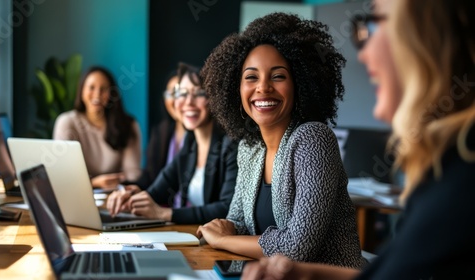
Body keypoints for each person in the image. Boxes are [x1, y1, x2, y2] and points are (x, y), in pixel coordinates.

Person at [242, 0, 475, 279]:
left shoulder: (465, 174)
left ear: (433, 37)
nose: (363, 53)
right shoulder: (443, 164)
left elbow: (295, 245)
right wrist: (303, 273)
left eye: (374, 24)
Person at [196, 12, 366, 269]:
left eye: (278, 76)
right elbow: (237, 222)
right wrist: (224, 229)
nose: (263, 88)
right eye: (251, 77)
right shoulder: (250, 149)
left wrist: (222, 240)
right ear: (235, 88)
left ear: (299, 84)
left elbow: (296, 249)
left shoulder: (313, 140)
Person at [106, 62, 239, 224]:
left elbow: (227, 208)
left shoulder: (231, 145)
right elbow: (156, 192)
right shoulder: (190, 144)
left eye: (199, 93)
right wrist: (130, 196)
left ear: (214, 99)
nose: (188, 102)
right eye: (182, 93)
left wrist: (166, 214)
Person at [53, 66, 142, 190]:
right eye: (91, 87)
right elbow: (63, 175)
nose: (97, 94)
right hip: (77, 193)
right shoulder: (67, 122)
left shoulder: (128, 124)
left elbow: (133, 174)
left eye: (104, 89)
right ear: (82, 91)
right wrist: (94, 183)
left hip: (115, 196)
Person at [136, 73, 186, 190]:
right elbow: (149, 178)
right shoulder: (160, 133)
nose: (176, 100)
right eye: (171, 94)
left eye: (182, 93)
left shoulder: (204, 138)